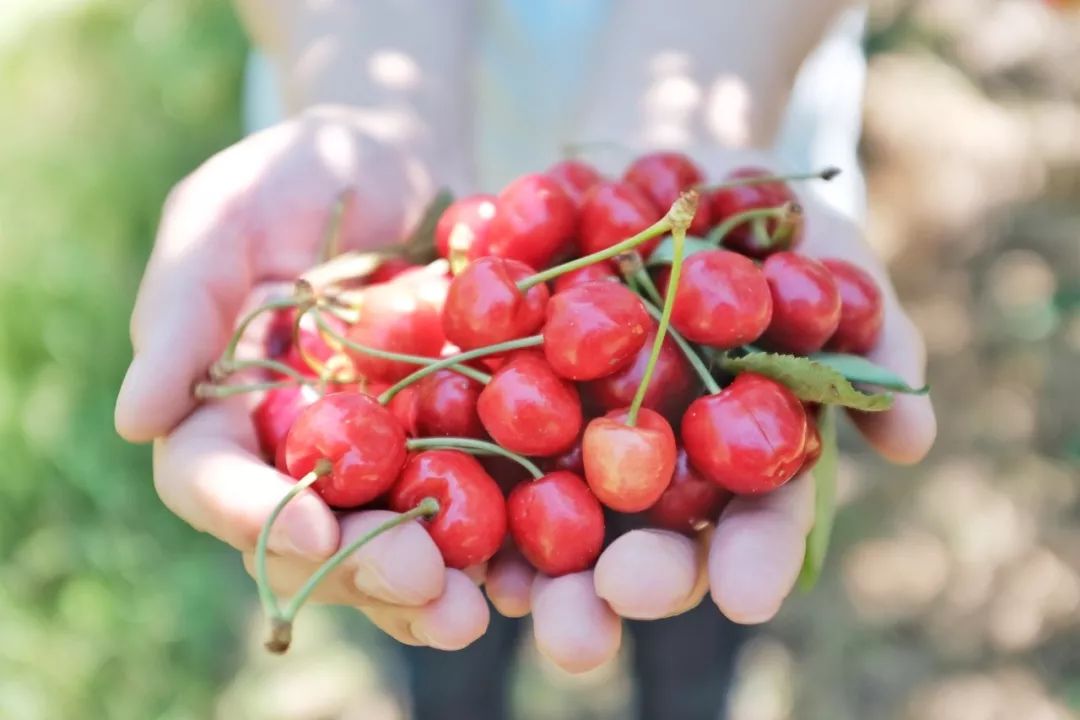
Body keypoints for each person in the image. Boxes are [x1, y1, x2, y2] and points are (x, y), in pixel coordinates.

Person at [115, 2, 936, 717]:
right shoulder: (447, 323)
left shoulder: (685, 295)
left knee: (699, 562)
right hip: (412, 165)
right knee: (440, 591)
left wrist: (705, 101)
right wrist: (368, 108)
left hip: (727, 106)